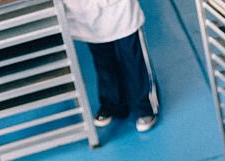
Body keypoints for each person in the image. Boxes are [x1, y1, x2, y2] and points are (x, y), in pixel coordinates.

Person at [63, 0, 159, 132]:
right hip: (84, 11)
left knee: (131, 56)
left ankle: (144, 106)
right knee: (102, 58)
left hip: (120, 8)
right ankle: (113, 104)